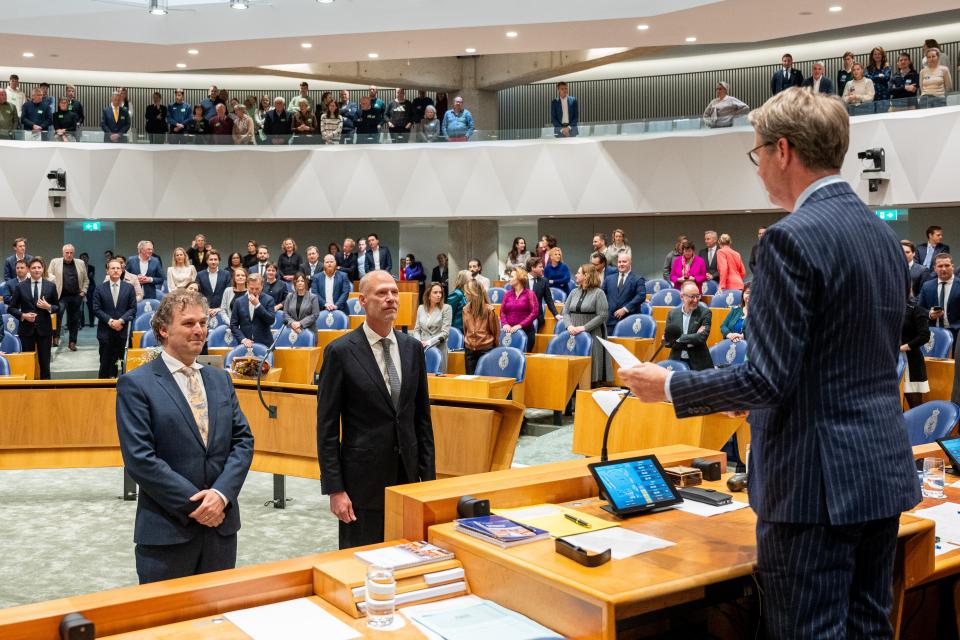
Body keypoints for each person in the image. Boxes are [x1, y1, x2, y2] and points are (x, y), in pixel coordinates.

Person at [619, 87, 921, 638]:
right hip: (878, 472)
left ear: (783, 150)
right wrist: (754, 406)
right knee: (869, 630)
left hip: (813, 486)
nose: (758, 169)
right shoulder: (883, 235)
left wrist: (670, 386)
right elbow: (840, 361)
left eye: (758, 154)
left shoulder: (789, 239)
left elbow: (766, 377)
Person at [116, 289, 254, 584]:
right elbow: (140, 459)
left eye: (203, 323)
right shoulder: (136, 384)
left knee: (216, 622)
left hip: (221, 528)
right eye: (189, 323)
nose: (200, 330)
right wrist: (199, 507)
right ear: (163, 330)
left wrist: (220, 495)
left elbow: (243, 441)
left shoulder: (220, 379)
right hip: (168, 531)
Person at [317, 271, 435, 548]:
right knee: (361, 565)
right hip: (361, 484)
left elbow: (422, 420)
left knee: (408, 558)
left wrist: (429, 482)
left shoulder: (412, 349)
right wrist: (335, 489)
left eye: (394, 292)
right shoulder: (340, 352)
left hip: (407, 479)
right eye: (382, 293)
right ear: (362, 301)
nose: (391, 298)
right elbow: (327, 429)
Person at [8, 257, 59, 379]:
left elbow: (58, 307)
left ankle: (46, 390)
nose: (36, 270)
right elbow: (11, 308)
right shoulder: (20, 286)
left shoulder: (50, 286)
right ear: (29, 270)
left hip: (44, 330)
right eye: (33, 268)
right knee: (28, 363)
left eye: (39, 267)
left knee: (45, 363)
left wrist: (48, 307)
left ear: (43, 269)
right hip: (26, 330)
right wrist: (23, 315)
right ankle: (28, 390)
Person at [565, 263, 609, 383]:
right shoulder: (574, 292)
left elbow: (603, 315)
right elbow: (565, 312)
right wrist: (569, 326)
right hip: (573, 331)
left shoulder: (599, 293)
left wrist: (584, 328)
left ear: (587, 276)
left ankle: (591, 385)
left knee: (592, 364)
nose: (576, 275)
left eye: (579, 273)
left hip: (592, 331)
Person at [93, 258, 137, 378]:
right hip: (105, 332)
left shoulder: (129, 288)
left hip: (123, 331)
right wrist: (111, 321)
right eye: (113, 268)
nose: (116, 270)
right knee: (106, 363)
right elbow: (96, 309)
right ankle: (102, 390)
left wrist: (120, 321)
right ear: (107, 271)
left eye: (118, 268)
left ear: (122, 270)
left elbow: (133, 309)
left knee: (122, 364)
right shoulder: (100, 288)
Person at [661, 280, 713, 370]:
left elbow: (701, 338)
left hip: (699, 363)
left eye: (698, 296)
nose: (696, 300)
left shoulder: (705, 313)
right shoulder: (672, 314)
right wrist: (691, 340)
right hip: (676, 360)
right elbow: (668, 342)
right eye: (692, 297)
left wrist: (678, 339)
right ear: (682, 297)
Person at [47, 244, 89, 351]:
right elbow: (48, 276)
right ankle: (55, 338)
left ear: (73, 253)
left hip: (76, 296)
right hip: (60, 296)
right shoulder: (55, 262)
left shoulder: (80, 263)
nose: (69, 255)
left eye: (71, 253)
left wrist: (83, 291)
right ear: (63, 253)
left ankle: (72, 342)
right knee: (58, 315)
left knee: (74, 320)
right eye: (67, 253)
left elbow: (86, 280)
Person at [919, 254, 960, 346]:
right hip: (933, 333)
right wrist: (929, 314)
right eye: (940, 266)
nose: (944, 269)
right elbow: (919, 310)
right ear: (935, 268)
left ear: (952, 267)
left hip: (957, 333)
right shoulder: (927, 286)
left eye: (947, 265)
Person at [601, 253, 646, 335]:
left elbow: (641, 296)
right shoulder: (609, 279)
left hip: (629, 320)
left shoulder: (638, 279)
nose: (621, 264)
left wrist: (625, 309)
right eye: (619, 262)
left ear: (630, 262)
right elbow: (600, 295)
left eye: (624, 262)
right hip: (610, 321)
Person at [462, 279, 499, 375]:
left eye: (467, 292)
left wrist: (493, 349)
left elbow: (495, 333)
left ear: (474, 293)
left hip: (486, 350)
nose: (465, 294)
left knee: (485, 380)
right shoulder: (465, 309)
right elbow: (465, 330)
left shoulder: (489, 310)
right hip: (469, 350)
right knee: (470, 380)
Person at [413, 282, 453, 371]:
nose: (439, 295)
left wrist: (428, 342)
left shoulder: (446, 308)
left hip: (439, 347)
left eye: (440, 292)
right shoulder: (421, 308)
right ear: (428, 295)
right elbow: (416, 330)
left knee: (439, 379)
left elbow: (445, 333)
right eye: (435, 292)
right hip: (422, 349)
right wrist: (419, 342)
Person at [229, 273, 275, 348]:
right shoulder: (239, 302)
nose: (254, 291)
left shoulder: (269, 300)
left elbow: (271, 320)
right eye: (251, 288)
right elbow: (233, 325)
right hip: (245, 345)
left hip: (265, 344)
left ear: (262, 286)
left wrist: (258, 305)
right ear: (247, 285)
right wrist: (243, 339)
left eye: (257, 289)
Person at [499, 267, 539, 352]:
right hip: (509, 332)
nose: (509, 278)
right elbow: (502, 311)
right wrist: (505, 324)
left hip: (526, 331)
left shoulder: (530, 294)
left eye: (512, 276)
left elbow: (534, 312)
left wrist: (520, 325)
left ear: (520, 278)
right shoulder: (507, 294)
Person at [902, 296, 930, 409]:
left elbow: (924, 336)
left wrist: (905, 347)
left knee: (915, 407)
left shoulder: (916, 310)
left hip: (911, 361)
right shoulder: (888, 309)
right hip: (890, 360)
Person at [197, 250, 230, 315]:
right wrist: (206, 308)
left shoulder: (226, 274)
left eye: (215, 259)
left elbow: (228, 293)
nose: (213, 262)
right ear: (207, 261)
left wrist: (220, 308)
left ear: (219, 261)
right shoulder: (200, 275)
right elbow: (198, 293)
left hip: (222, 310)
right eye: (211, 259)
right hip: (205, 310)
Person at [865, 47, 891, 112]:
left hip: (884, 98)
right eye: (875, 54)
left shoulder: (887, 67)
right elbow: (868, 78)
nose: (877, 56)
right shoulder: (868, 68)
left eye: (879, 54)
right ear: (872, 56)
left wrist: (874, 77)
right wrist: (879, 76)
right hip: (873, 97)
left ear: (882, 55)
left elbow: (886, 78)